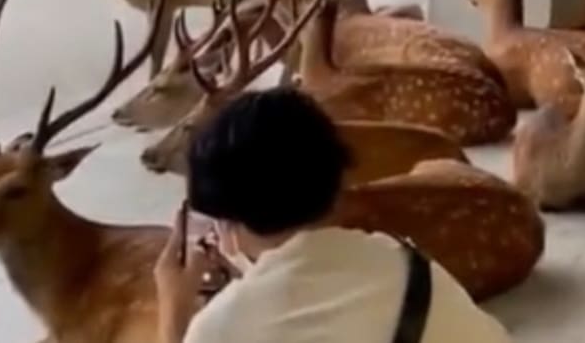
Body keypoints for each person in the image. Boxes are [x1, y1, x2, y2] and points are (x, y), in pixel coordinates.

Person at [152, 88, 513, 343]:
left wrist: (174, 313)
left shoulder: (223, 326)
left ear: (228, 227)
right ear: (336, 184)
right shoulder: (413, 268)